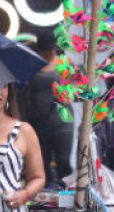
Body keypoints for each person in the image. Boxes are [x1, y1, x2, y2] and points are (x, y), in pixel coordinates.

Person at [16, 33, 73, 189]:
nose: (49, 54)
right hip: (38, 120)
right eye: (46, 52)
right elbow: (20, 88)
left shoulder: (63, 63)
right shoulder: (31, 63)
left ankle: (66, 189)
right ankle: (45, 190)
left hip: (60, 120)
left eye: (51, 51)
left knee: (64, 160)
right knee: (42, 160)